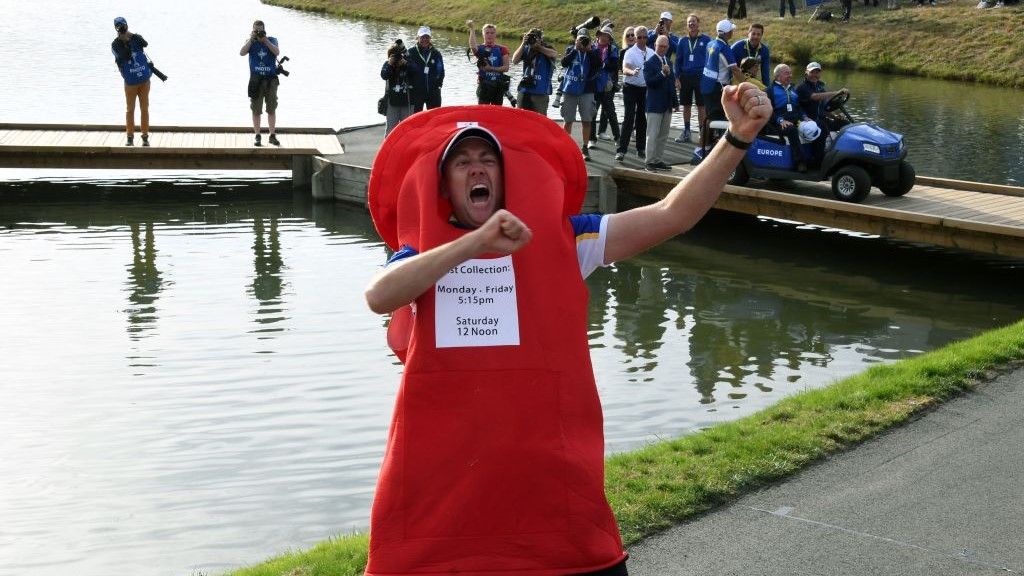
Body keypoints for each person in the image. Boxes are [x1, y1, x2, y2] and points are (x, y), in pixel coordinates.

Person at [362, 82, 772, 576]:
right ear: (444, 184)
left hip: (549, 486)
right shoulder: (421, 255)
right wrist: (472, 245)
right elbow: (380, 295)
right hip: (442, 484)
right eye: (461, 161)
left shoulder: (566, 239)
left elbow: (673, 214)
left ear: (504, 177)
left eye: (487, 160)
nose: (476, 167)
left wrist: (737, 138)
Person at [698, 20, 741, 159]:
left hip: (706, 85)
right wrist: (749, 83)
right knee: (716, 119)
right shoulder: (724, 48)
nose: (732, 32)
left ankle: (706, 147)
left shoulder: (711, 43)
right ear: (728, 32)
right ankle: (703, 149)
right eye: (731, 30)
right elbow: (734, 69)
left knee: (710, 119)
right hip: (717, 88)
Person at [558, 31, 601, 161]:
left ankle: (585, 147)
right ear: (576, 40)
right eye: (580, 40)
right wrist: (575, 50)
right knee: (568, 119)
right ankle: (566, 147)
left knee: (587, 120)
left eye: (585, 40)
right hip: (570, 89)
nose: (582, 42)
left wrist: (589, 50)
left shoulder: (593, 52)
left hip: (587, 90)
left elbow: (599, 64)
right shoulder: (571, 49)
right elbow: (563, 63)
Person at [111, 16, 152, 147]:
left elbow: (145, 43)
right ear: (116, 29)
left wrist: (131, 35)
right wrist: (124, 40)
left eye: (123, 26)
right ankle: (130, 137)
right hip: (130, 82)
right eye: (120, 27)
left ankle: (145, 137)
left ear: (127, 25)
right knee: (130, 109)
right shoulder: (115, 44)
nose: (122, 29)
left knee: (144, 108)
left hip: (144, 80)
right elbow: (125, 55)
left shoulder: (135, 37)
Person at [240, 20, 281, 147]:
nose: (258, 33)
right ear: (252, 31)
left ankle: (272, 135)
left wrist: (265, 40)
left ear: (265, 30)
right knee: (256, 110)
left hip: (270, 80)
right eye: (256, 30)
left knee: (271, 108)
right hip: (256, 80)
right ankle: (257, 135)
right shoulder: (250, 42)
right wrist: (252, 39)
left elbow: (277, 52)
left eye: (260, 30)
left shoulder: (272, 40)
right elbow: (241, 52)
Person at [797, 61, 850, 160]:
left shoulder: (820, 88)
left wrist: (834, 116)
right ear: (806, 73)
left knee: (845, 124)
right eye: (812, 72)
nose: (815, 75)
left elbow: (824, 108)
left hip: (820, 118)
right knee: (822, 127)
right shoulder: (802, 87)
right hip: (807, 121)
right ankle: (818, 159)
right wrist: (837, 92)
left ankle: (845, 155)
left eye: (817, 72)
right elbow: (815, 97)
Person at [643, 35, 679, 171]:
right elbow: (649, 83)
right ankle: (649, 161)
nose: (663, 48)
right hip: (654, 104)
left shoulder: (669, 62)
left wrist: (675, 103)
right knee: (652, 134)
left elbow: (671, 84)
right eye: (660, 46)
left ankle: (657, 159)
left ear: (668, 47)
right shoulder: (649, 63)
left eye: (665, 46)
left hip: (667, 104)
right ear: (655, 46)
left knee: (663, 134)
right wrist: (662, 74)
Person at [673, 14, 710, 144]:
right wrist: (676, 77)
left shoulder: (706, 40)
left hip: (701, 77)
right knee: (686, 105)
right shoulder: (682, 41)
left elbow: (710, 60)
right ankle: (687, 131)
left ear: (698, 23)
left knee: (701, 106)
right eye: (689, 22)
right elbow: (677, 61)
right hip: (685, 77)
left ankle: (702, 132)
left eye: (693, 22)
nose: (691, 24)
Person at [616, 26, 649, 162]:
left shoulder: (651, 52)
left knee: (642, 118)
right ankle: (621, 150)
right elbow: (624, 68)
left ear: (647, 38)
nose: (641, 40)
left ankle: (640, 148)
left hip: (644, 89)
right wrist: (632, 72)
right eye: (638, 37)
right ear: (635, 38)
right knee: (629, 117)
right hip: (630, 87)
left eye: (644, 37)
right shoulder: (630, 52)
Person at [769, 63, 810, 170]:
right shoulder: (770, 90)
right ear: (778, 76)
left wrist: (805, 117)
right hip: (778, 123)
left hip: (796, 120)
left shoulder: (792, 89)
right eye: (787, 73)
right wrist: (780, 120)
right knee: (791, 129)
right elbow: (768, 111)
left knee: (818, 125)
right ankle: (800, 162)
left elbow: (798, 107)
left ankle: (817, 158)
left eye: (791, 73)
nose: (790, 75)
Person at [512, 28, 557, 115]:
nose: (532, 40)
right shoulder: (526, 48)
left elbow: (554, 54)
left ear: (541, 39)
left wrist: (539, 47)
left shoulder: (547, 48)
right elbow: (514, 60)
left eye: (535, 37)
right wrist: (523, 43)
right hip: (525, 90)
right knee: (522, 118)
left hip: (540, 92)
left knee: (539, 121)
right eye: (530, 37)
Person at [590, 25, 621, 147]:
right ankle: (592, 139)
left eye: (607, 36)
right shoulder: (591, 47)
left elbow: (614, 66)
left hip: (606, 86)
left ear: (610, 39)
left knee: (611, 113)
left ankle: (618, 139)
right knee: (592, 113)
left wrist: (602, 65)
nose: (604, 37)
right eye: (603, 34)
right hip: (593, 85)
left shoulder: (612, 49)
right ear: (598, 35)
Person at [468, 20, 510, 106]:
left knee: (496, 114)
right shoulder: (480, 48)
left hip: (498, 86)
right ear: (483, 34)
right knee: (482, 113)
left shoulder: (502, 49)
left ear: (495, 34)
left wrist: (490, 69)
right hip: (484, 86)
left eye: (492, 33)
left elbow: (506, 68)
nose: (490, 35)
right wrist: (472, 29)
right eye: (487, 33)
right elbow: (472, 47)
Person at [406, 26, 445, 113]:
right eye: (422, 37)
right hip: (416, 92)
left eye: (427, 37)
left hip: (433, 92)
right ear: (417, 38)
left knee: (434, 117)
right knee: (415, 118)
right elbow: (406, 71)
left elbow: (441, 71)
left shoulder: (436, 53)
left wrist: (438, 85)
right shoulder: (411, 52)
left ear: (430, 38)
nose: (425, 40)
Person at [380, 40, 413, 136]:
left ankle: (406, 150)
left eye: (397, 56)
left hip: (407, 102)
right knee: (390, 130)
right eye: (393, 56)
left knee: (407, 130)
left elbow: (416, 72)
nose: (396, 59)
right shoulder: (387, 64)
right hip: (392, 103)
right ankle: (388, 150)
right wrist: (390, 64)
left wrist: (406, 63)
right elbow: (383, 75)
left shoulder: (407, 63)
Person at [731, 23, 771, 87]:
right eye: (753, 34)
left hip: (752, 81)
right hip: (736, 81)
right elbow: (730, 69)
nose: (756, 37)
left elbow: (765, 74)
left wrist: (768, 91)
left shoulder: (764, 50)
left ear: (761, 36)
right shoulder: (736, 47)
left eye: (758, 34)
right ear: (748, 34)